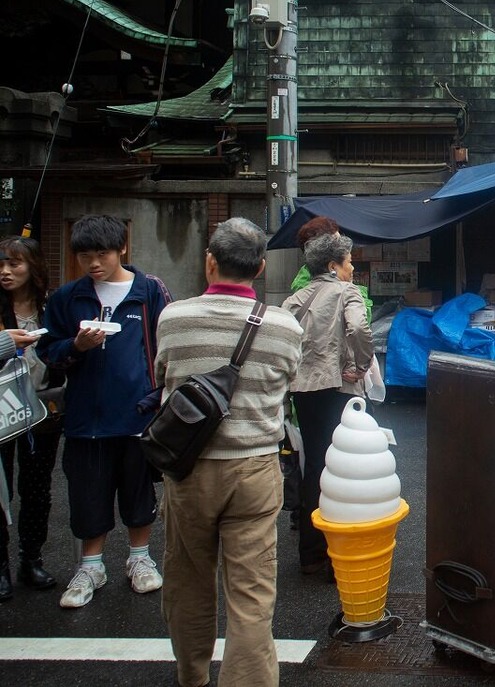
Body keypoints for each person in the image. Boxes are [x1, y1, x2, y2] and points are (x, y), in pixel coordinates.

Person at [156, 218, 302, 687]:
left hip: (189, 469)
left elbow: (164, 378)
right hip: (255, 469)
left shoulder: (172, 317)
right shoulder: (284, 326)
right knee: (252, 592)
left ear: (209, 261)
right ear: (260, 267)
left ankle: (192, 674)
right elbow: (287, 386)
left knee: (188, 580)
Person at [39, 214, 172, 608]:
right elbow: (49, 352)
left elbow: (166, 343)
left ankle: (139, 558)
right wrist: (75, 347)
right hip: (85, 417)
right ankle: (91, 565)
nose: (94, 263)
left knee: (138, 491)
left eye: (102, 254)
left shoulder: (148, 291)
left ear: (122, 249)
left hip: (138, 412)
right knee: (87, 494)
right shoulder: (67, 297)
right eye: (85, 256)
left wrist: (159, 395)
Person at [282, 233, 373, 577]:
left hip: (303, 389)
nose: (352, 267)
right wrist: (362, 365)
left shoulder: (295, 298)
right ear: (333, 266)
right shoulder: (346, 292)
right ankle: (341, 552)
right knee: (343, 468)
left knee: (315, 465)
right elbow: (359, 328)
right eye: (349, 261)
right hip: (338, 386)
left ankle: (311, 553)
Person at [0, 237, 62, 600]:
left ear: (33, 267)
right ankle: (1, 567)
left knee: (37, 489)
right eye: (2, 265)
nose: (6, 272)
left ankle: (31, 559)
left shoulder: (50, 306)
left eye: (14, 265)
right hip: (3, 411)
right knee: (1, 491)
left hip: (42, 409)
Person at [288, 216, 373, 324]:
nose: (342, 246)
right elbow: (359, 325)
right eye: (336, 243)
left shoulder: (337, 276)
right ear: (318, 248)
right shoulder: (306, 286)